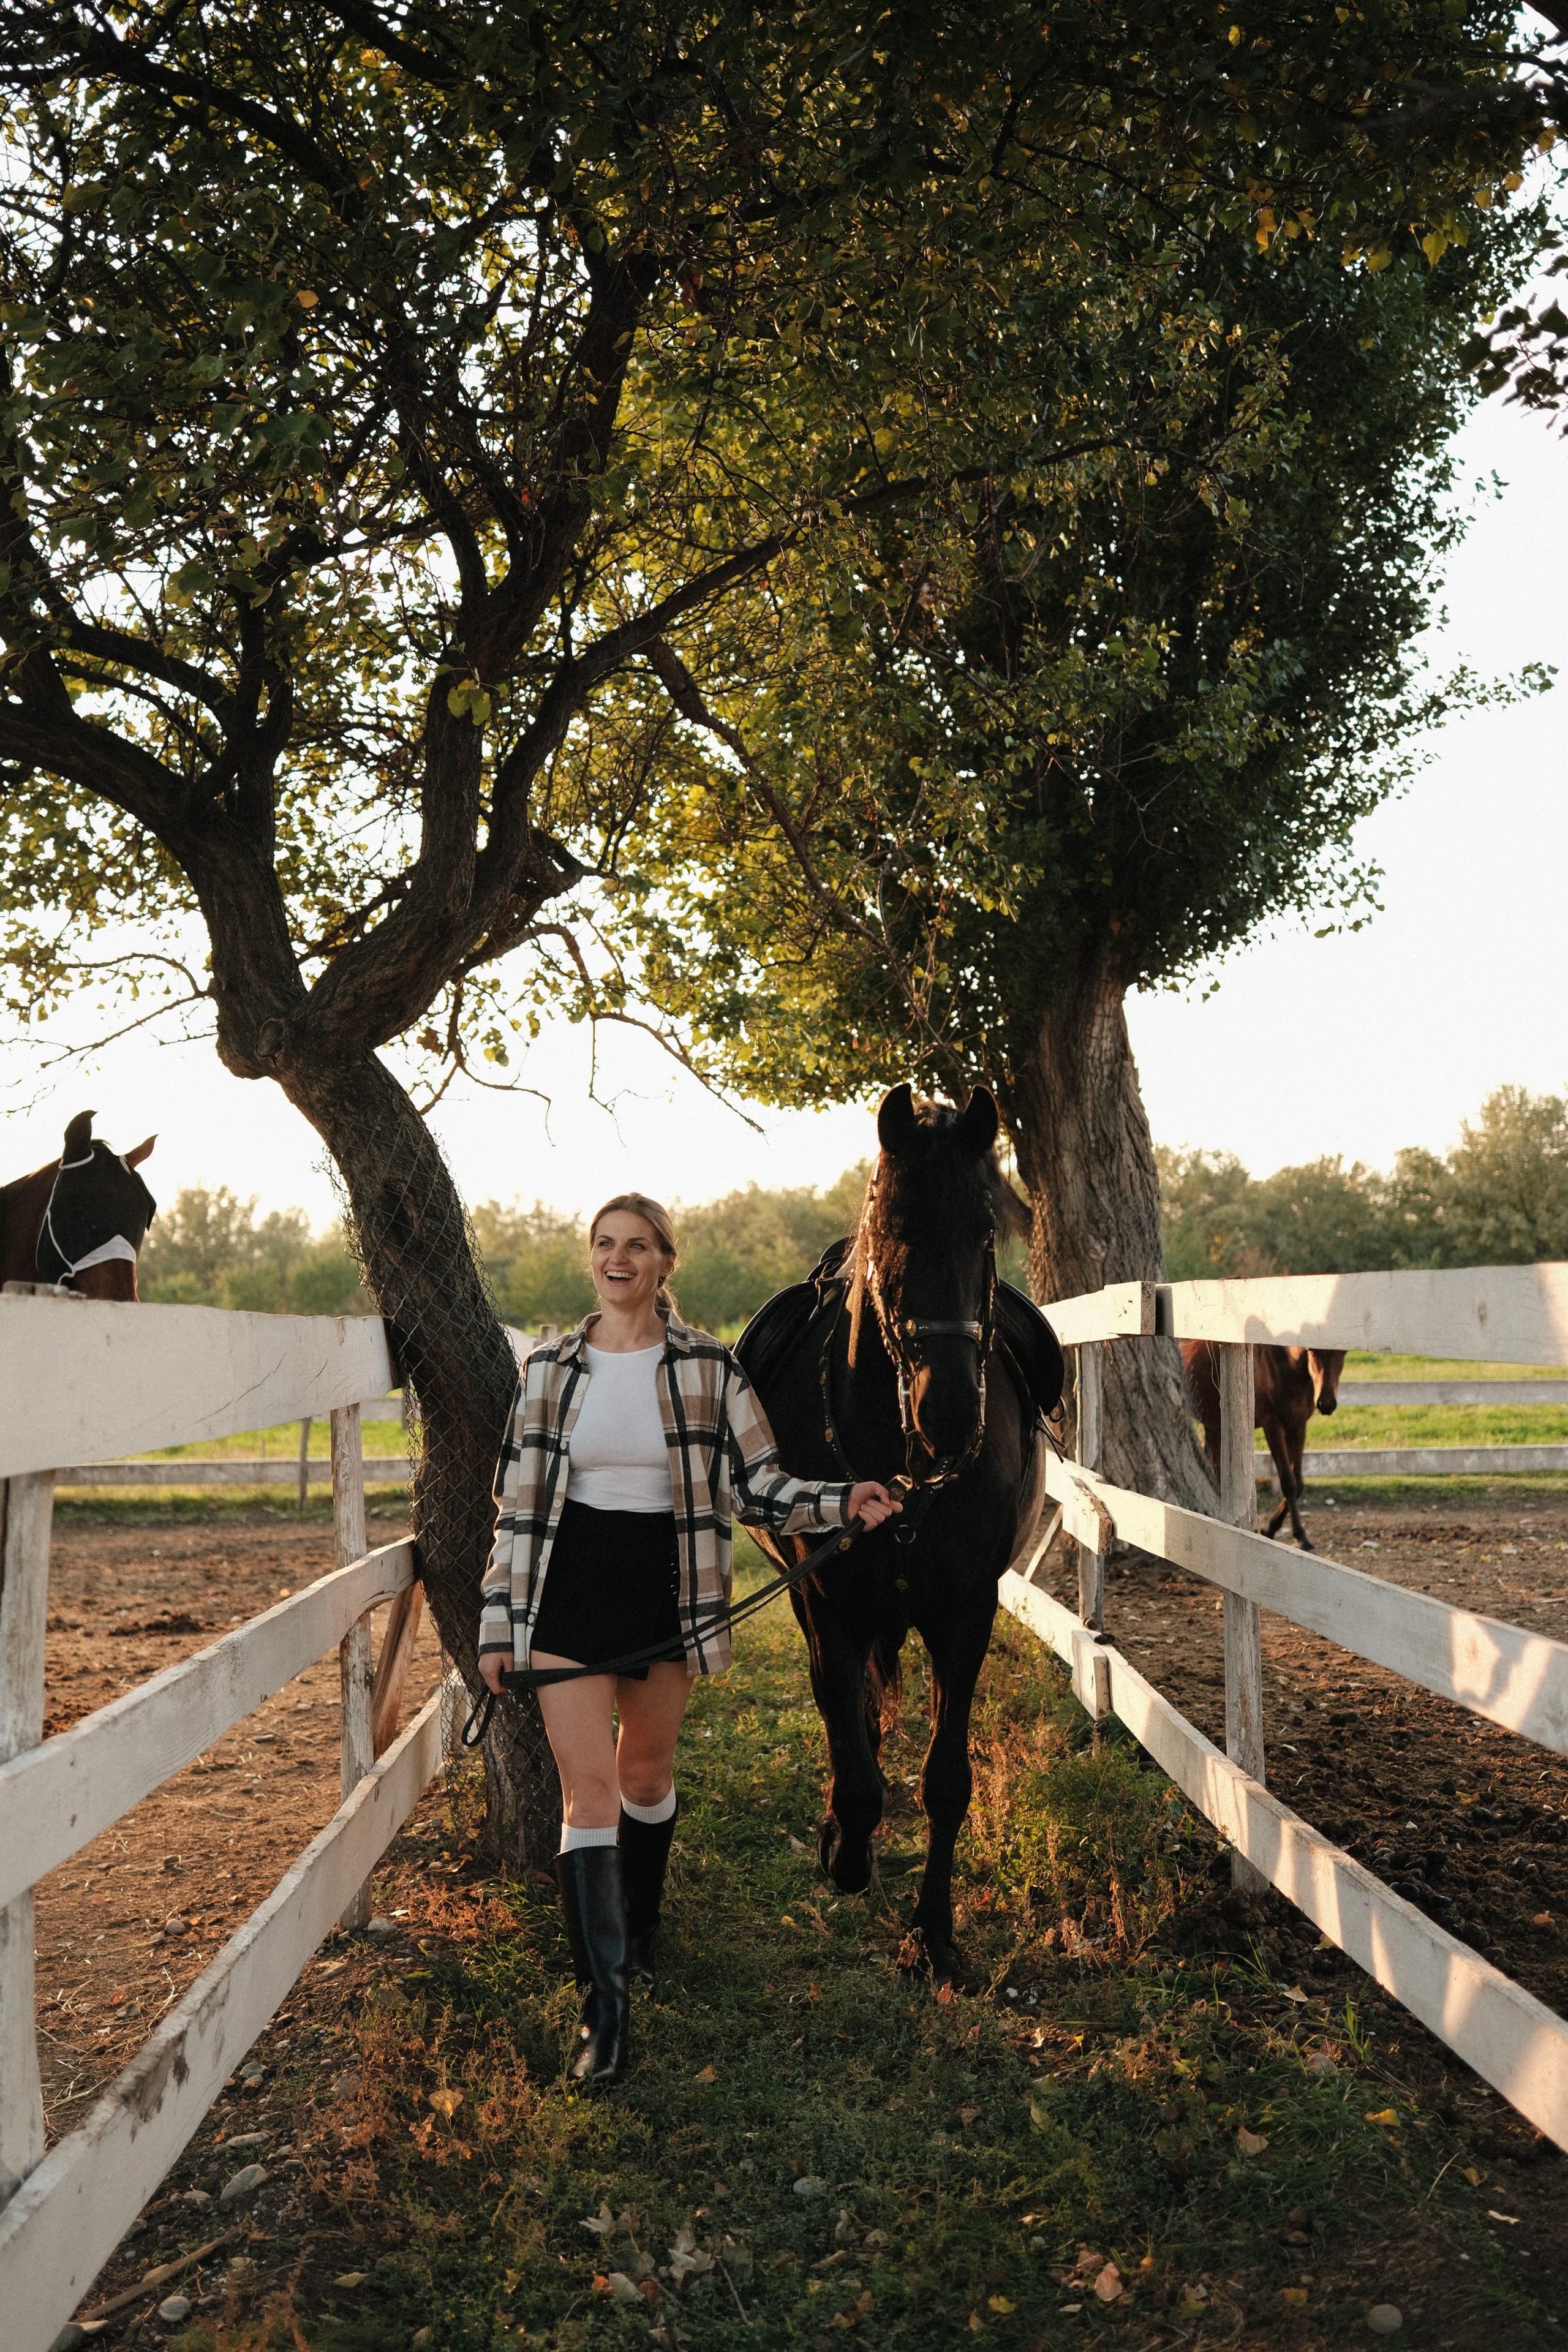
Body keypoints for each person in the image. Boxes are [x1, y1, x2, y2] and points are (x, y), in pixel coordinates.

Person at [478, 1192, 899, 2090]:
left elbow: (761, 1488)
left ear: (666, 1263)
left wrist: (844, 1499)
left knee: (644, 1777)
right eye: (603, 1244)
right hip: (566, 1591)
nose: (617, 1259)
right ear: (589, 1258)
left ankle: (643, 1925)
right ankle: (607, 2013)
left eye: (636, 1246)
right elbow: (514, 1509)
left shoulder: (710, 1366)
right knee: (587, 1792)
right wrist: (495, 1624)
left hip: (670, 1592)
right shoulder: (548, 1367)